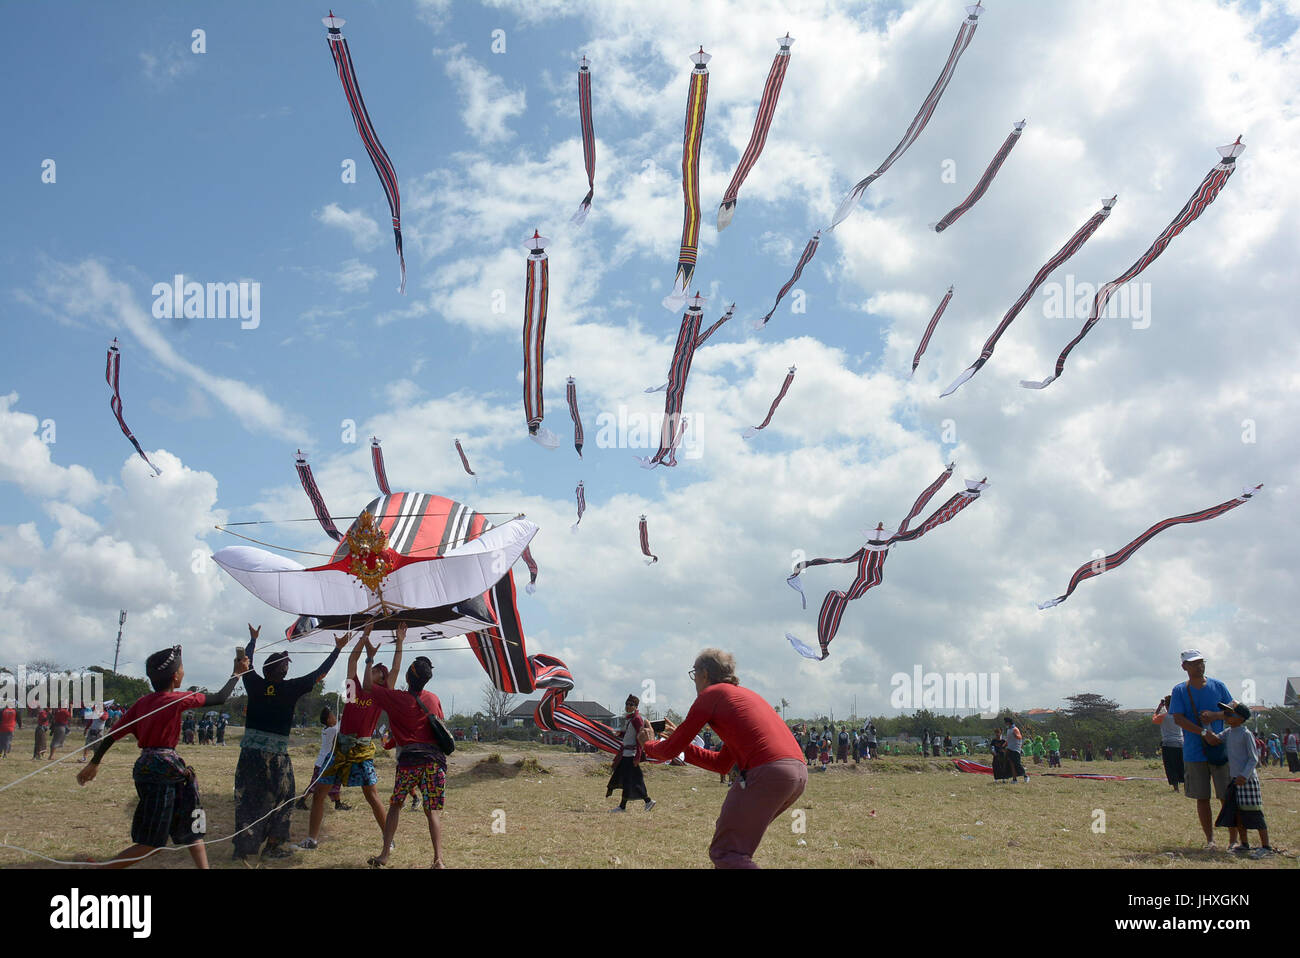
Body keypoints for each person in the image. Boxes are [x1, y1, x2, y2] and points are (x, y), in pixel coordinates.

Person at [76, 645, 245, 868]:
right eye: (182, 668)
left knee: (191, 825)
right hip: (163, 772)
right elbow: (221, 697)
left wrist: (95, 763)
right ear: (176, 677)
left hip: (154, 770)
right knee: (152, 842)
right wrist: (237, 674)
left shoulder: (142, 703)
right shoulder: (177, 700)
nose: (184, 672)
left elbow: (112, 735)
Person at [637, 649, 806, 868]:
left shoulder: (711, 695)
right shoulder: (742, 696)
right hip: (796, 774)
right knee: (733, 849)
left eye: (693, 674)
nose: (694, 681)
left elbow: (668, 751)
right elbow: (722, 764)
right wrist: (682, 743)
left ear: (704, 674)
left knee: (727, 852)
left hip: (767, 772)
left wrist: (648, 744)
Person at [233, 624, 346, 863]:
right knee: (284, 797)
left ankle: (242, 848)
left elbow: (246, 661)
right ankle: (274, 845)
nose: (287, 666)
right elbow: (320, 673)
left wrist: (253, 640)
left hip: (249, 754)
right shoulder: (290, 688)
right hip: (276, 757)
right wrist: (337, 650)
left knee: (247, 798)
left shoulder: (253, 683)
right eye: (285, 664)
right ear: (280, 670)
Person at [300, 629, 395, 851]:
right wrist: (364, 637)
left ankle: (389, 840)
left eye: (378, 671)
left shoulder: (380, 696)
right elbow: (353, 659)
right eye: (372, 669)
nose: (372, 671)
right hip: (340, 748)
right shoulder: (353, 689)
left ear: (382, 680)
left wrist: (375, 655)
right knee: (320, 792)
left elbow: (392, 672)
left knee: (371, 795)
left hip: (360, 751)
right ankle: (312, 839)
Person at [361, 650, 449, 868]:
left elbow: (367, 686)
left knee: (395, 806)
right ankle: (438, 860)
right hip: (434, 762)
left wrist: (370, 658)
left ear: (408, 678)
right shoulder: (433, 698)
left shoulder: (396, 698)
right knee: (432, 813)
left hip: (409, 762)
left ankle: (384, 855)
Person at [1168, 649, 1238, 850]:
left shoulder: (1218, 686)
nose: (1199, 666)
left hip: (1219, 748)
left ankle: (1233, 840)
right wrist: (1202, 732)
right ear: (1184, 667)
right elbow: (1179, 718)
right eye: (1193, 663)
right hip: (1194, 751)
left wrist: (1215, 716)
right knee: (1202, 797)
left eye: (1201, 662)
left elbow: (1232, 711)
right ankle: (1210, 840)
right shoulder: (1180, 690)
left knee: (1226, 796)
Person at [1215, 701, 1274, 858]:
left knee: (1254, 813)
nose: (1226, 716)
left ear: (1240, 718)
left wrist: (1244, 775)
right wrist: (1203, 727)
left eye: (1229, 713)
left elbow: (1253, 758)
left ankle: (1266, 847)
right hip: (1235, 779)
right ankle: (1244, 843)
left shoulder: (1245, 734)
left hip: (1246, 780)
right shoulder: (1229, 732)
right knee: (1238, 813)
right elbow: (1213, 739)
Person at [607, 694, 655, 812]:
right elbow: (628, 734)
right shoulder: (630, 719)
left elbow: (640, 738)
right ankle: (625, 806)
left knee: (633, 780)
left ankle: (647, 801)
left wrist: (638, 756)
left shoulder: (637, 719)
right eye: (627, 704)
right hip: (626, 754)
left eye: (631, 704)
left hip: (632, 755)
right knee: (628, 780)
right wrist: (619, 734)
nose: (628, 706)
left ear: (636, 706)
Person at [297, 706, 342, 812]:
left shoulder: (325, 729)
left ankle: (338, 803)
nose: (335, 718)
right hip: (324, 763)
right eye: (333, 716)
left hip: (324, 762)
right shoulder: (331, 730)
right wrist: (342, 718)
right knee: (315, 784)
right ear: (328, 720)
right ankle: (301, 801)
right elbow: (339, 728)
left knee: (334, 783)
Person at [1003, 716, 1028, 783]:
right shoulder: (1008, 730)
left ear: (1008, 722)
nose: (1005, 724)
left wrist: (1016, 736)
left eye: (1005, 722)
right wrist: (1004, 745)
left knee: (1017, 764)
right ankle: (1014, 779)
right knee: (1011, 764)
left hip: (1015, 749)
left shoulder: (1015, 729)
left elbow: (1020, 737)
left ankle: (1026, 776)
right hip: (1009, 748)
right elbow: (1008, 740)